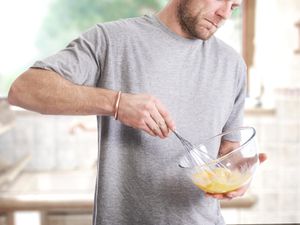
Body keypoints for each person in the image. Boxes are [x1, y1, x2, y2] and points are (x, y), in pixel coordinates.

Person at [8, 0, 267, 224]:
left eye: (234, 6)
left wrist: (237, 175)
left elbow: (228, 153)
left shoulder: (232, 65)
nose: (225, 13)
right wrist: (117, 103)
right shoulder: (112, 40)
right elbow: (24, 90)